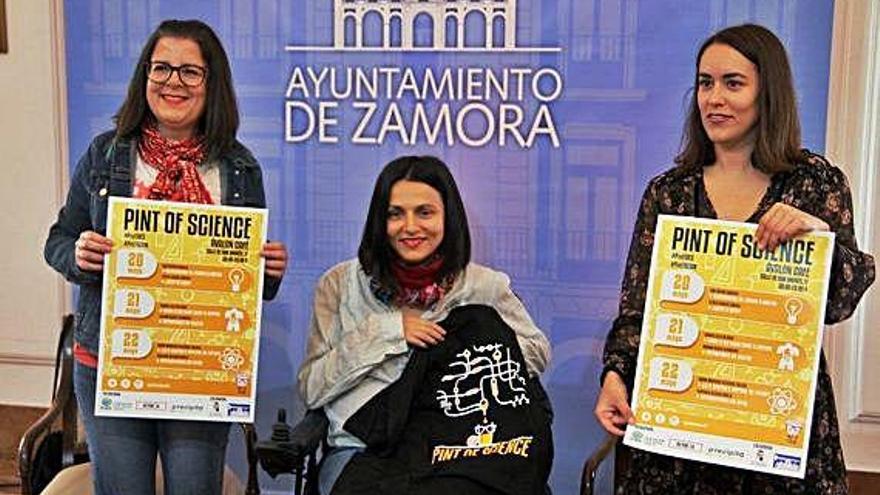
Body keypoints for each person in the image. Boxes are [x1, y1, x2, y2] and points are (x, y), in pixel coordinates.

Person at [594, 24, 875, 494]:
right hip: (678, 442)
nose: (714, 98)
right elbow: (637, 310)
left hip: (774, 433)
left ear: (769, 92)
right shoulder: (669, 192)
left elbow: (841, 301)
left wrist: (818, 235)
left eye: (733, 83)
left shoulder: (813, 182)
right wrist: (614, 376)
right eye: (705, 83)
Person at [44, 19, 288, 495]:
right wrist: (78, 252)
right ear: (145, 77)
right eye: (161, 68)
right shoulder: (105, 154)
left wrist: (268, 272)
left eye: (190, 72)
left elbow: (248, 280)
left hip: (200, 367)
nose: (173, 81)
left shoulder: (239, 168)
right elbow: (58, 239)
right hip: (113, 363)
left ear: (211, 83)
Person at [297, 155, 552, 495]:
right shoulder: (339, 284)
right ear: (379, 220)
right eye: (395, 214)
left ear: (449, 216)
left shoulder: (483, 286)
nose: (411, 227)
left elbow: (537, 354)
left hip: (460, 450)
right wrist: (387, 332)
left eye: (425, 212)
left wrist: (462, 346)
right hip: (364, 451)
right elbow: (313, 388)